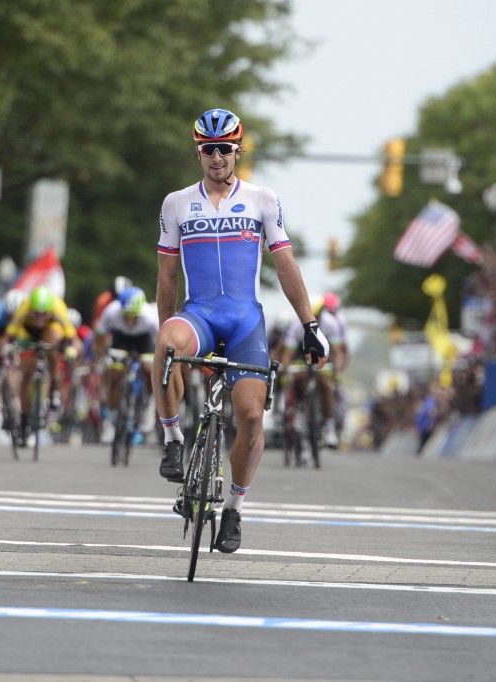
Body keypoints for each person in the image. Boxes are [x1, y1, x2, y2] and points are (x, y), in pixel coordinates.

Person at [152, 108, 329, 553]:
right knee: (167, 343)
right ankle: (173, 440)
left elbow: (285, 265)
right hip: (200, 315)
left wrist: (310, 324)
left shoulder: (262, 200)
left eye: (225, 149)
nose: (217, 158)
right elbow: (167, 276)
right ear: (198, 152)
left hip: (245, 320)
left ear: (238, 151)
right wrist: (166, 329)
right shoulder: (176, 203)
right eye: (208, 149)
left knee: (250, 416)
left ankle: (233, 507)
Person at [5, 285, 80, 439]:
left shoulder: (58, 308)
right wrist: (11, 346)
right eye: (36, 313)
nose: (39, 318)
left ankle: (55, 386)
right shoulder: (25, 307)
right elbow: (12, 331)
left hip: (50, 329)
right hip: (28, 331)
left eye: (43, 314)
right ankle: (24, 416)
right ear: (30, 308)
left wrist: (68, 348)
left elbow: (69, 333)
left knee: (53, 342)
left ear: (50, 311)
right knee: (27, 373)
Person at [279, 292, 348, 448]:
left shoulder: (331, 323)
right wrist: (284, 367)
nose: (314, 318)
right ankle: (297, 411)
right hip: (301, 356)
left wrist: (337, 367)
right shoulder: (297, 325)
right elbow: (288, 353)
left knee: (326, 384)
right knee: (295, 378)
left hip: (324, 357)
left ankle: (329, 427)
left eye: (318, 315)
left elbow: (338, 352)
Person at [93, 286, 159, 443]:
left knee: (148, 368)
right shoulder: (111, 311)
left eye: (133, 316)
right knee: (114, 375)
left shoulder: (149, 316)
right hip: (121, 339)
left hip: (144, 340)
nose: (129, 321)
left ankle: (148, 405)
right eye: (126, 316)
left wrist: (156, 359)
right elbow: (100, 333)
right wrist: (100, 353)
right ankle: (111, 420)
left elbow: (160, 341)